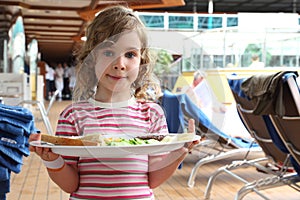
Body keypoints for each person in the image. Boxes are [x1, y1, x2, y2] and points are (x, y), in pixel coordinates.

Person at [29, 5, 198, 200]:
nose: (120, 64)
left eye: (130, 54)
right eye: (108, 52)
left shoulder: (152, 114)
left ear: (142, 62)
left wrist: (181, 150)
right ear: (92, 60)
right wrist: (52, 160)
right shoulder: (73, 115)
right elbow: (71, 184)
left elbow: (153, 179)